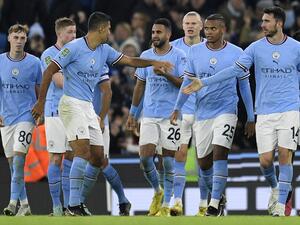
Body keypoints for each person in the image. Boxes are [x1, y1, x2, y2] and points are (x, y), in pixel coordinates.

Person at [31, 11, 173, 216]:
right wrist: (41, 101)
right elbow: (49, 71)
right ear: (100, 28)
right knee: (81, 152)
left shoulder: (104, 50)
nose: (110, 31)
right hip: (71, 104)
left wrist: (153, 62)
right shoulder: (73, 48)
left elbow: (131, 61)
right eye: (108, 28)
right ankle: (72, 205)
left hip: (88, 108)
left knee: (97, 158)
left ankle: (76, 203)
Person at [182, 7, 299, 217]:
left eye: (266, 21)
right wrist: (205, 82)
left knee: (284, 155)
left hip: (290, 109)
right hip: (264, 111)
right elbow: (235, 71)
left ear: (279, 23)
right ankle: (276, 187)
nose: (262, 25)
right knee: (265, 161)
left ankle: (281, 206)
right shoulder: (254, 48)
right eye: (262, 21)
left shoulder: (296, 48)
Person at [171, 13, 255, 216]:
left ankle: (214, 204)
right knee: (204, 163)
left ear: (222, 29)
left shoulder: (237, 52)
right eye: (206, 29)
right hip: (203, 113)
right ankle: (218, 195)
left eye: (213, 29)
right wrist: (177, 106)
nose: (208, 32)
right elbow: (187, 82)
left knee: (220, 153)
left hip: (226, 110)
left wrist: (251, 117)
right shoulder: (194, 52)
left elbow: (244, 86)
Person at [127, 18, 186, 216]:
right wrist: (133, 113)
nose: (154, 36)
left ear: (168, 35)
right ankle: (157, 191)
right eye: (153, 32)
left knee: (168, 162)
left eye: (159, 32)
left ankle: (166, 205)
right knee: (145, 158)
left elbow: (184, 86)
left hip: (171, 116)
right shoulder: (145, 56)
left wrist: (165, 74)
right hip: (149, 115)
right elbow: (140, 85)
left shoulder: (179, 56)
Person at [0, 24, 42, 216]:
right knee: (12, 165)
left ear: (26, 40)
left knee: (18, 161)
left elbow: (40, 90)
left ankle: (11, 204)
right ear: (9, 39)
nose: (19, 41)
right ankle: (25, 206)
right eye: (15, 37)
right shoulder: (0, 61)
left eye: (22, 38)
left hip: (26, 116)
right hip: (5, 118)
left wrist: (40, 110)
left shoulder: (34, 63)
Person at [169, 11, 206, 217]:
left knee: (203, 158)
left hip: (205, 110)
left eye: (194, 23)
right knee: (180, 153)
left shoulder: (209, 48)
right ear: (182, 25)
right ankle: (176, 202)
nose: (190, 26)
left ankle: (203, 203)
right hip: (182, 109)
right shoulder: (173, 48)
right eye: (187, 23)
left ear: (201, 26)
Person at [40, 17, 76, 216]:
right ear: (59, 33)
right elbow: (59, 81)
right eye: (69, 32)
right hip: (55, 111)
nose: (73, 36)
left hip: (74, 112)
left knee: (71, 157)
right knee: (56, 157)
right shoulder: (49, 54)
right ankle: (56, 206)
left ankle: (69, 207)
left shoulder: (77, 53)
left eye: (75, 32)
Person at [83, 68, 131, 216]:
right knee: (77, 159)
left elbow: (107, 91)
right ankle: (76, 203)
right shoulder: (73, 56)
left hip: (97, 119)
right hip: (76, 117)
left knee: (100, 161)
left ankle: (78, 203)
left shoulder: (99, 61)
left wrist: (101, 117)